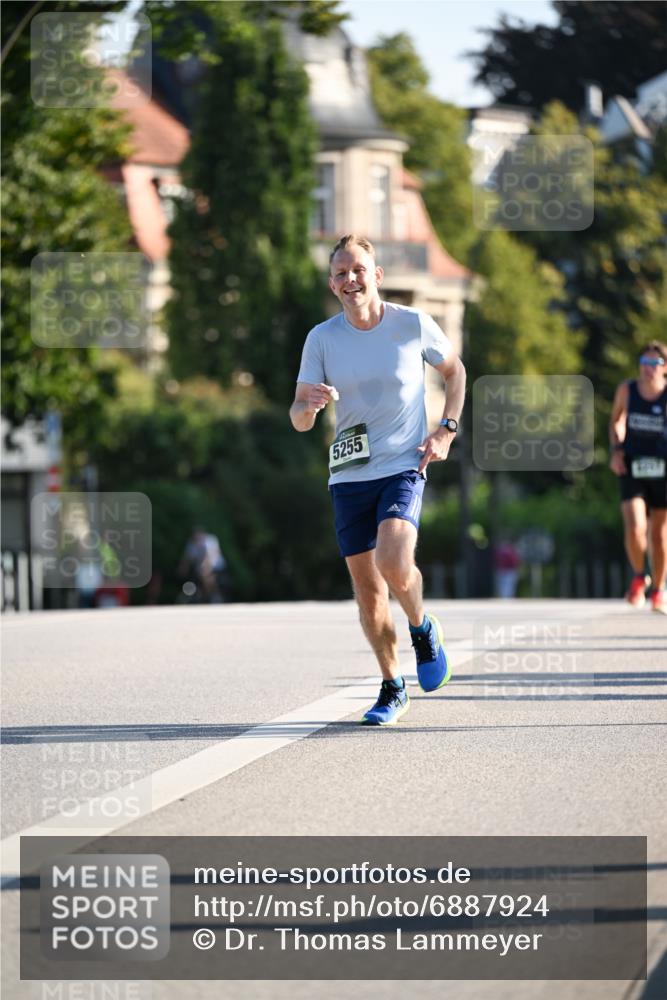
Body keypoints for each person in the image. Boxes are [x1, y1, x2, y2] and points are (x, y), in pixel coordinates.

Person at [290, 234, 466, 725]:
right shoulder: (321, 338)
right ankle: (392, 686)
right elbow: (298, 417)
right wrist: (309, 407)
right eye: (341, 274)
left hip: (404, 464)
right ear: (332, 284)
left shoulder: (412, 324)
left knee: (393, 559)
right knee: (368, 593)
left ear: (377, 276)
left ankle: (422, 627)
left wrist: (446, 430)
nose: (351, 280)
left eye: (358, 270)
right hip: (349, 475)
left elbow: (455, 373)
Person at [609, 341, 667, 614]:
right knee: (635, 527)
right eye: (644, 363)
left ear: (664, 367)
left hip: (663, 468)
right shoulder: (627, 390)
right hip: (632, 465)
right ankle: (638, 576)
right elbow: (616, 420)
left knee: (659, 536)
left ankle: (658, 590)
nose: (648, 369)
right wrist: (617, 450)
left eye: (654, 363)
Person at [179, 527, 228, 603]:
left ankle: (214, 595)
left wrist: (204, 569)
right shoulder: (191, 543)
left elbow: (210, 557)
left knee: (206, 574)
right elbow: (187, 559)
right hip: (200, 568)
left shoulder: (210, 540)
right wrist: (183, 569)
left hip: (216, 566)